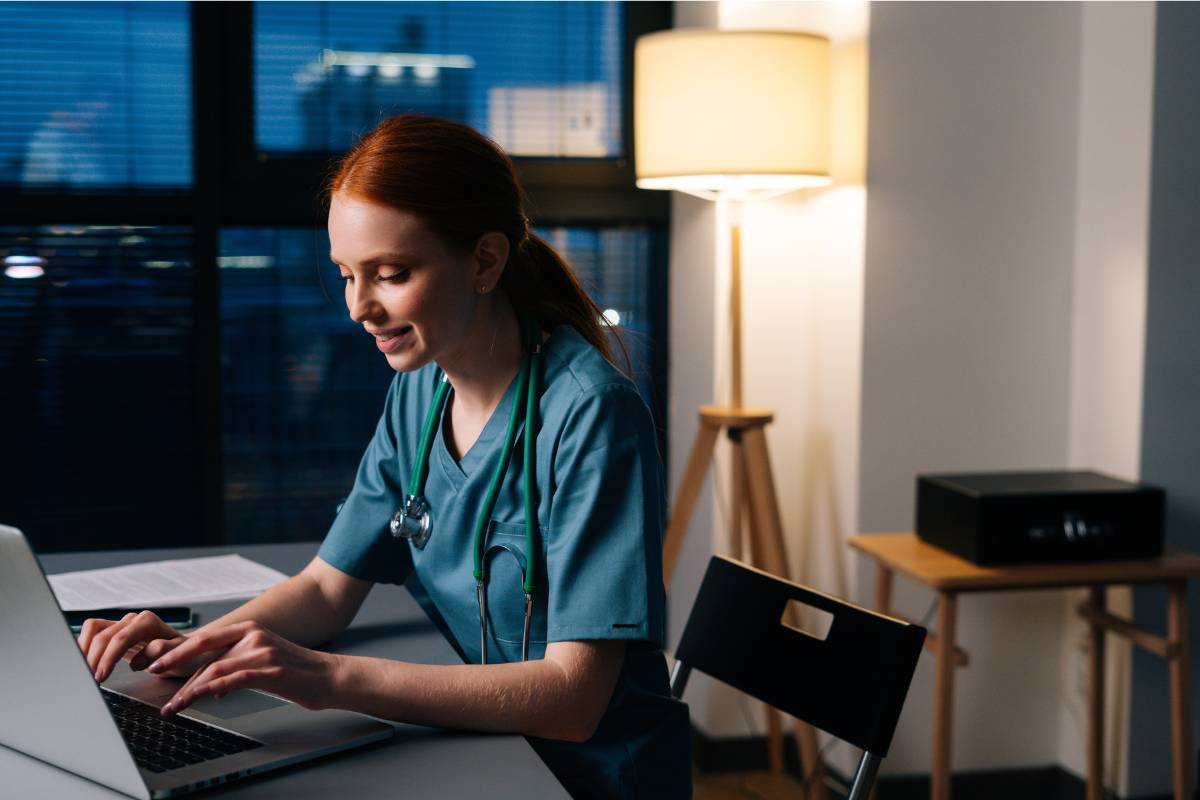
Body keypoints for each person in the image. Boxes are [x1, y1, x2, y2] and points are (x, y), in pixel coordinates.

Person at [77, 114, 692, 798]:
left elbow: (573, 701)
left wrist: (331, 678)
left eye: (391, 274)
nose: (358, 307)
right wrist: (195, 648)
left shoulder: (592, 414)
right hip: (477, 744)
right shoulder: (421, 389)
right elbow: (325, 590)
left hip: (584, 776)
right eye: (346, 275)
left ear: (485, 261)